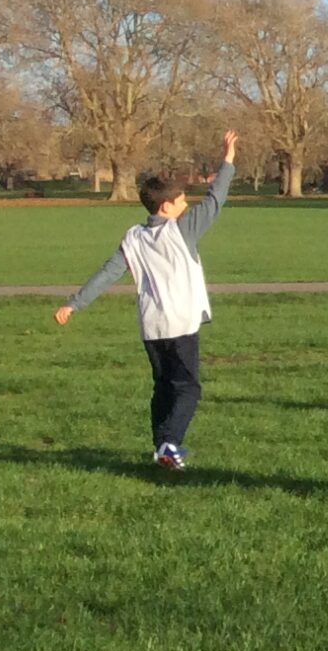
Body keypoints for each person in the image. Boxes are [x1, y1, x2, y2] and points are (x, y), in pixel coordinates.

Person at [52, 129, 240, 471]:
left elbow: (108, 273)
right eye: (181, 201)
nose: (186, 205)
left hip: (151, 326)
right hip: (181, 323)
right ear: (166, 206)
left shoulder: (133, 238)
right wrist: (228, 160)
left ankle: (160, 450)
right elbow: (216, 200)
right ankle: (170, 443)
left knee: (163, 387)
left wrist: (74, 304)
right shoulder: (180, 229)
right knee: (188, 389)